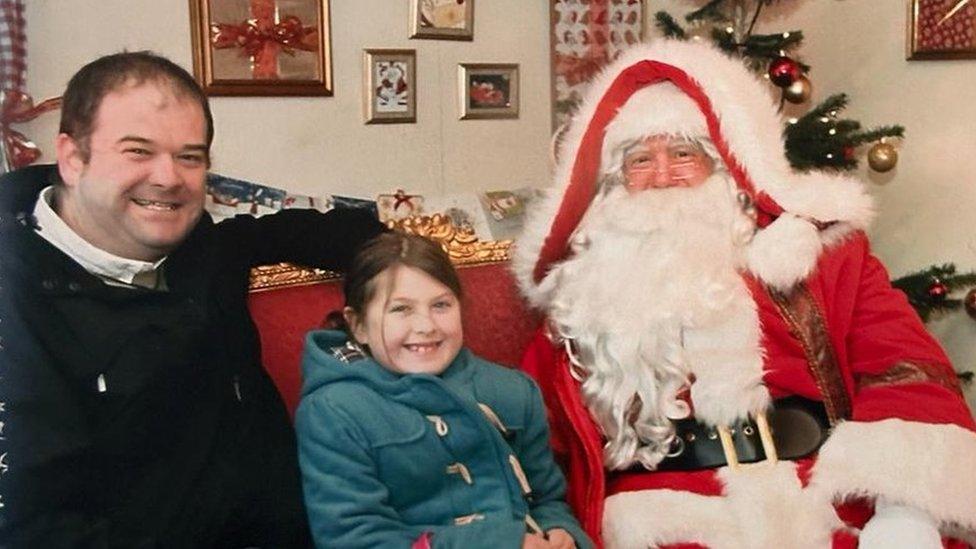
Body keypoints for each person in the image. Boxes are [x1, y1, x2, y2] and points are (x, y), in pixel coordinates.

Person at [512, 41, 976, 548]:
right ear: (613, 182)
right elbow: (522, 428)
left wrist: (902, 512)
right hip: (658, 523)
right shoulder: (584, 292)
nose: (663, 177)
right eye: (639, 160)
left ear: (729, 164)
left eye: (684, 154)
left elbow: (906, 370)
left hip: (819, 501)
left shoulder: (827, 258)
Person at [0, 51, 385, 547]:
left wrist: (404, 268)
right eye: (138, 151)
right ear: (73, 158)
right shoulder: (18, 303)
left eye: (190, 156)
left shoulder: (206, 247)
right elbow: (36, 528)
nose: (169, 178)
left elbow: (349, 233)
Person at [296, 232, 592, 548]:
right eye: (401, 309)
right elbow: (355, 538)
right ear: (358, 326)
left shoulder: (512, 391)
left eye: (441, 305)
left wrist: (560, 531)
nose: (426, 326)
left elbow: (547, 499)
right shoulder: (333, 411)